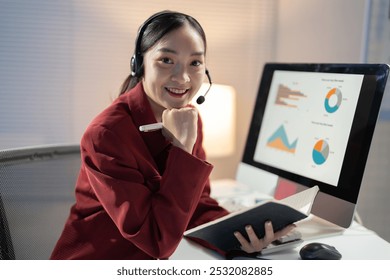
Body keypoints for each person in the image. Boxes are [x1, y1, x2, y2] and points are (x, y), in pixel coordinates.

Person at [51, 10, 295, 260]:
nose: (183, 77)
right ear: (139, 64)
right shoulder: (106, 135)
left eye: (195, 63)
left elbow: (196, 205)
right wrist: (182, 148)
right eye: (167, 60)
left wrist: (239, 236)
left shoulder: (188, 118)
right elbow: (157, 240)